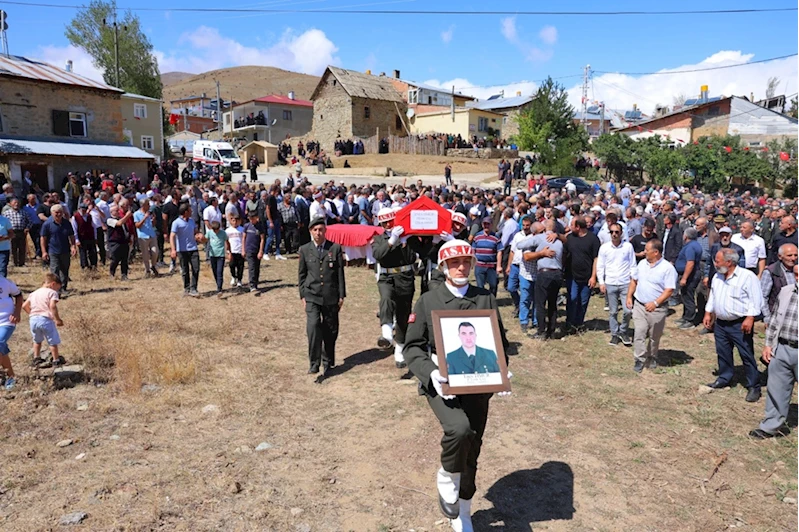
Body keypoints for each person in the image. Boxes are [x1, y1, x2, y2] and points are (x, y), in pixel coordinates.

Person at [403, 239, 510, 531]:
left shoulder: (485, 297)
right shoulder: (428, 300)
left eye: (466, 262)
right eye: (454, 262)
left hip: (478, 383)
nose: (461, 267)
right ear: (443, 267)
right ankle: (447, 475)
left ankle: (464, 508)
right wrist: (430, 372)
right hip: (443, 381)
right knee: (458, 430)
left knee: (473, 446)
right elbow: (412, 347)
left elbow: (499, 341)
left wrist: (501, 371)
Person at [703, 248, 764, 402]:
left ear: (729, 262)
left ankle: (753, 386)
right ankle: (725, 377)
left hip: (740, 324)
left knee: (746, 354)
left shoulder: (747, 277)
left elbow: (756, 300)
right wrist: (708, 312)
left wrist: (750, 318)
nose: (715, 264)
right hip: (721, 324)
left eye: (718, 261)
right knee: (722, 352)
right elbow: (714, 296)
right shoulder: (718, 276)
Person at [749, 264, 798, 439]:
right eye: (796, 274)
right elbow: (775, 321)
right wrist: (769, 344)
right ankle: (771, 425)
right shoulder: (786, 291)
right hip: (782, 347)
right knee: (777, 389)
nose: (797, 278)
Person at [298, 217, 346, 376]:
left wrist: (341, 295)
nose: (318, 233)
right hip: (312, 295)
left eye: (321, 230)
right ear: (311, 232)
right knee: (313, 327)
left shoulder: (335, 248)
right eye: (315, 230)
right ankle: (314, 363)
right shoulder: (305, 249)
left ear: (325, 231)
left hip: (330, 295)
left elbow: (340, 273)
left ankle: (328, 361)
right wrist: (302, 295)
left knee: (330, 330)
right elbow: (302, 274)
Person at [372, 207, 418, 368]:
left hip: (404, 277)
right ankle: (386, 333)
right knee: (386, 299)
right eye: (384, 223)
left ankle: (400, 348)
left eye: (390, 221)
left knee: (403, 313)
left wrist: (405, 241)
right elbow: (378, 255)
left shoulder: (408, 238)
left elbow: (412, 258)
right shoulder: (378, 238)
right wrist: (391, 241)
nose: (388, 225)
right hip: (386, 277)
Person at [626, 239, 677, 373]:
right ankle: (639, 358)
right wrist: (629, 296)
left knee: (655, 335)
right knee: (639, 331)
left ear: (655, 252)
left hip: (657, 309)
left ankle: (652, 355)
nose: (644, 252)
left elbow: (669, 290)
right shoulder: (642, 264)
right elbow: (634, 280)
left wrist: (655, 303)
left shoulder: (668, 268)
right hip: (639, 305)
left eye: (647, 250)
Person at [520, 218, 563, 340]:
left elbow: (520, 245)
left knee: (540, 304)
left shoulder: (540, 238)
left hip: (544, 273)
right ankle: (552, 331)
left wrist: (538, 249)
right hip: (558, 274)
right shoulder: (559, 240)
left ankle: (541, 331)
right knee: (553, 304)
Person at [597, 222, 636, 346]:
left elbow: (633, 265)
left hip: (625, 283)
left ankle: (623, 331)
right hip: (611, 282)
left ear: (621, 233)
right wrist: (601, 282)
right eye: (612, 232)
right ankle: (614, 334)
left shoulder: (628, 247)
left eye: (616, 232)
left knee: (628, 311)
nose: (614, 234)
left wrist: (633, 280)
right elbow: (600, 266)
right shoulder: (604, 248)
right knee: (613, 311)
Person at [564, 216, 600, 332]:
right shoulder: (569, 238)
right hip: (572, 276)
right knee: (573, 298)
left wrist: (594, 276)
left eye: (572, 225)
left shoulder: (593, 239)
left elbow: (596, 258)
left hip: (587, 276)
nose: (570, 227)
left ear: (578, 227)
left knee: (583, 301)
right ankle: (569, 323)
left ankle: (578, 324)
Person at [23, 273, 65, 367]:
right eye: (57, 288)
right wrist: (57, 319)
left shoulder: (34, 293)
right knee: (52, 340)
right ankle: (56, 359)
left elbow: (24, 306)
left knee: (37, 340)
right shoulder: (52, 293)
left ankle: (36, 357)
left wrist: (32, 313)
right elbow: (52, 306)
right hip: (45, 319)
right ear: (53, 284)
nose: (57, 290)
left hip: (33, 320)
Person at [40, 205, 76, 295]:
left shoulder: (66, 223)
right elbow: (43, 238)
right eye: (56, 212)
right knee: (55, 270)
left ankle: (63, 287)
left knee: (65, 269)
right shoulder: (47, 224)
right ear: (52, 213)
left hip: (65, 250)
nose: (58, 214)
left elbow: (71, 235)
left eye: (60, 212)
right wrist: (44, 252)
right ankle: (55, 290)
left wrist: (73, 246)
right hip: (53, 251)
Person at [170, 203, 202, 297]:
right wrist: (173, 250)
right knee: (185, 270)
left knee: (196, 268)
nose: (192, 211)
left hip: (193, 248)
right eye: (190, 210)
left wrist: (199, 236)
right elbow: (172, 236)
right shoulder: (176, 223)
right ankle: (187, 288)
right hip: (182, 249)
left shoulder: (191, 221)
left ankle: (194, 288)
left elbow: (195, 232)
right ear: (185, 212)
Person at [674, 228, 703, 329]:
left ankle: (690, 320)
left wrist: (684, 278)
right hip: (690, 274)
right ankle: (685, 317)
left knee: (688, 297)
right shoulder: (695, 244)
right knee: (685, 296)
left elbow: (690, 263)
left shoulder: (691, 247)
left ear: (685, 236)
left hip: (690, 275)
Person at [761, 243, 798, 323]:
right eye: (789, 255)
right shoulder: (771, 272)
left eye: (795, 255)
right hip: (778, 316)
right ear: (780, 256)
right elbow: (763, 297)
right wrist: (767, 317)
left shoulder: (797, 269)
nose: (793, 258)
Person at [0, 275, 23, 390]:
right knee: (1, 348)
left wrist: (17, 312)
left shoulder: (5, 282)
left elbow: (19, 296)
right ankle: (11, 376)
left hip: (6, 321)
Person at [472, 217, 502, 296]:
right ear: (482, 225)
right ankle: (482, 303)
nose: (486, 226)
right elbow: (473, 250)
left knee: (493, 285)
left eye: (488, 224)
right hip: (479, 265)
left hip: (491, 266)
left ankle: (492, 301)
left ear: (492, 225)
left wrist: (498, 266)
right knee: (480, 286)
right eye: (484, 224)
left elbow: (499, 252)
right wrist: (472, 263)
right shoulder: (477, 236)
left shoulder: (496, 237)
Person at [106, 204, 133, 280]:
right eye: (116, 210)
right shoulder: (110, 220)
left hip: (124, 241)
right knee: (115, 259)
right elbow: (119, 223)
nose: (118, 212)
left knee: (125, 259)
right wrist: (127, 215)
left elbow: (125, 228)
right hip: (115, 243)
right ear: (111, 212)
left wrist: (128, 238)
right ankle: (112, 273)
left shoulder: (121, 218)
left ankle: (124, 275)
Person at [133, 199, 159, 278]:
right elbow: (137, 225)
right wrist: (144, 218)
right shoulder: (137, 214)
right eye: (148, 204)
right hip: (143, 236)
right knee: (145, 254)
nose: (149, 206)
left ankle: (153, 265)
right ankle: (147, 270)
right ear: (143, 205)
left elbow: (153, 225)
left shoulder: (150, 213)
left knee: (155, 251)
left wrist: (154, 220)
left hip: (152, 234)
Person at [242, 212, 266, 292]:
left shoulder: (260, 227)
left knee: (256, 267)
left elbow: (262, 239)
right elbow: (244, 238)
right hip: (249, 250)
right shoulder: (246, 226)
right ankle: (252, 284)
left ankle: (255, 283)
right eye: (250, 219)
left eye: (253, 218)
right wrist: (243, 249)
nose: (252, 220)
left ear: (257, 218)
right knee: (251, 267)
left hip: (257, 250)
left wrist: (261, 251)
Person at [225, 216, 245, 289]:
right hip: (232, 251)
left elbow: (244, 240)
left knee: (240, 266)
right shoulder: (227, 231)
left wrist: (244, 250)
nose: (235, 222)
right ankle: (233, 277)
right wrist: (227, 251)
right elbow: (226, 241)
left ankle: (239, 280)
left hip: (240, 250)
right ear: (230, 221)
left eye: (236, 221)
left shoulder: (242, 229)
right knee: (232, 265)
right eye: (233, 221)